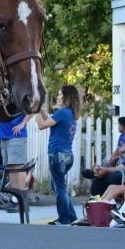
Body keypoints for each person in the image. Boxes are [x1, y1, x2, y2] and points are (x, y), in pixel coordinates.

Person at [33, 85, 80, 224]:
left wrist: (34, 111)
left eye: (60, 94)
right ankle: (71, 216)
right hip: (67, 155)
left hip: (57, 155)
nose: (58, 97)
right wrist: (41, 110)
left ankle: (64, 219)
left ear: (66, 97)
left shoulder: (62, 112)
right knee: (59, 187)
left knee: (60, 188)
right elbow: (50, 122)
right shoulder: (70, 113)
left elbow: (42, 125)